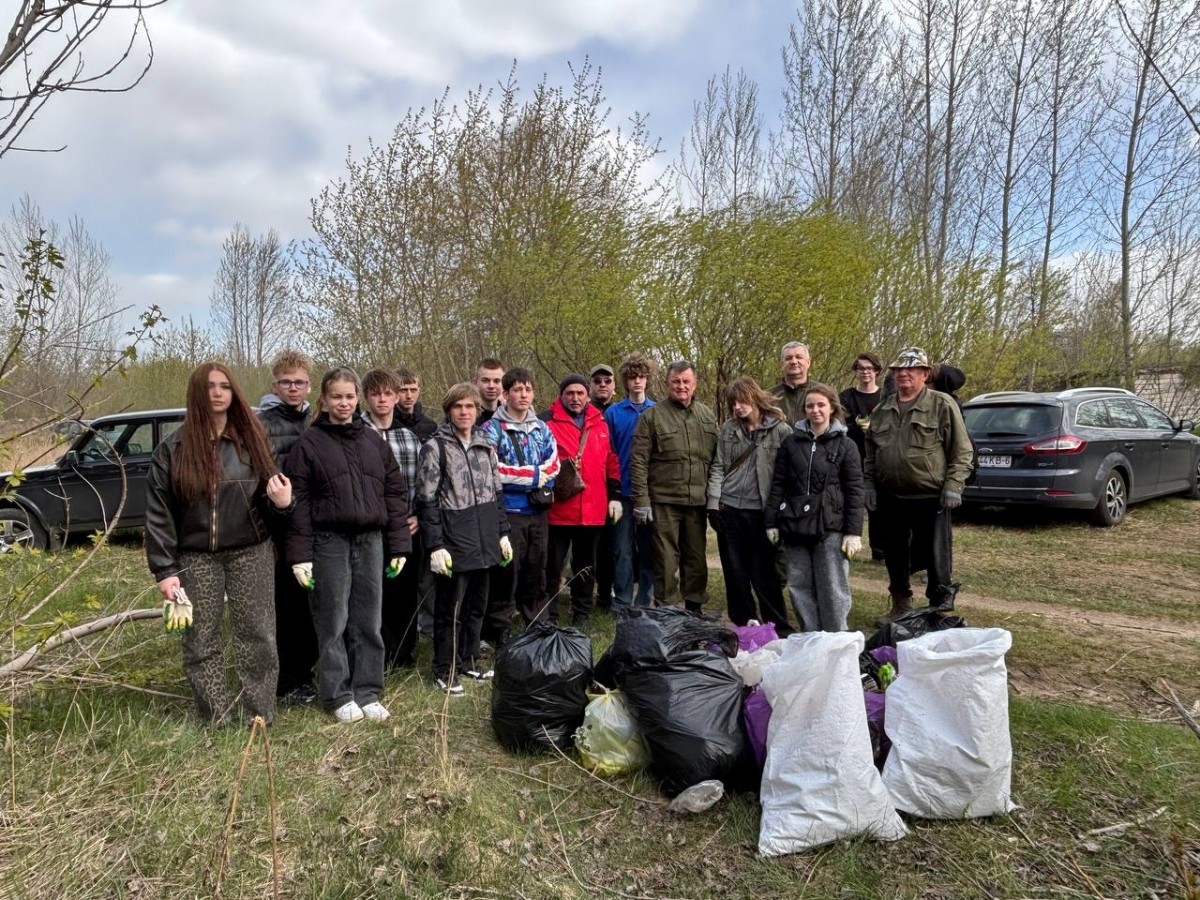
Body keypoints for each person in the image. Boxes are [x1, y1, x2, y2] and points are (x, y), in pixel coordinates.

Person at [145, 362, 293, 725]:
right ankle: (215, 717)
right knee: (200, 638)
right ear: (197, 392)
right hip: (195, 558)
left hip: (251, 550)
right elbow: (158, 513)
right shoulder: (173, 448)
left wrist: (284, 504)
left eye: (225, 386)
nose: (217, 392)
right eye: (210, 386)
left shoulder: (253, 442)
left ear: (234, 393)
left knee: (257, 635)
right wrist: (165, 569)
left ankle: (259, 713)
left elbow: (272, 503)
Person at [284, 368, 411, 723]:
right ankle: (338, 694)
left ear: (358, 399)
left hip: (371, 541)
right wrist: (300, 555)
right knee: (333, 620)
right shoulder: (308, 444)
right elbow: (300, 503)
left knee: (369, 620)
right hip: (329, 542)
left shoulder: (373, 442)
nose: (344, 403)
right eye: (336, 396)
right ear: (323, 399)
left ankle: (368, 690)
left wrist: (399, 545)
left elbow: (394, 493)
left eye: (350, 396)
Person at [864, 347, 974, 623]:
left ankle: (937, 609)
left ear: (925, 374)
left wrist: (953, 485)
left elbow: (961, 450)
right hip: (891, 495)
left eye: (911, 370)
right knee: (894, 555)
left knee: (936, 556)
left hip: (930, 495)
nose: (903, 374)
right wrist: (869, 487)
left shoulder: (941, 404)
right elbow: (870, 454)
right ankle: (901, 605)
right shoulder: (882, 409)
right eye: (899, 370)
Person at [416, 383, 513, 694]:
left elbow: (497, 494)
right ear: (449, 410)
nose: (464, 412)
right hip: (453, 540)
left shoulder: (486, 444)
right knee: (450, 610)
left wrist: (503, 532)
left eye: (469, 406)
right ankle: (445, 668)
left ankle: (469, 659)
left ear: (476, 410)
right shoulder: (436, 447)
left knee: (476, 606)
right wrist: (435, 545)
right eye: (458, 407)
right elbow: (426, 500)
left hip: (485, 538)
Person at [765, 383, 864, 632]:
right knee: (799, 584)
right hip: (795, 524)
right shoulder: (791, 443)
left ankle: (836, 638)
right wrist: (771, 521)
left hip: (830, 526)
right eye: (810, 405)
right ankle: (811, 636)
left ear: (832, 408)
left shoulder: (846, 445)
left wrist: (854, 531)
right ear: (804, 410)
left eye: (821, 405)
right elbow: (778, 483)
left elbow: (854, 490)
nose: (815, 410)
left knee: (832, 585)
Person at [630, 360, 719, 616]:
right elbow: (638, 462)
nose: (681, 386)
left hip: (697, 502)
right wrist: (642, 501)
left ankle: (694, 608)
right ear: (668, 384)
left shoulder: (706, 415)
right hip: (664, 501)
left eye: (686, 381)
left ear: (694, 384)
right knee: (666, 560)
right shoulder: (652, 417)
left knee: (696, 559)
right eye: (676, 382)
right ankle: (667, 610)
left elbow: (715, 460)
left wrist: (714, 498)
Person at [707, 377, 793, 634]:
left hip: (763, 511)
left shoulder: (781, 430)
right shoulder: (728, 429)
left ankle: (777, 625)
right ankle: (743, 622)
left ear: (754, 398)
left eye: (741, 401)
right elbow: (719, 465)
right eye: (733, 403)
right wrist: (713, 503)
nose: (737, 407)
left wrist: (781, 510)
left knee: (765, 571)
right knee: (734, 569)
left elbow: (787, 474)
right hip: (730, 507)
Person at [258, 349, 320, 705]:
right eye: (286, 382)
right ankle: (286, 681)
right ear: (275, 385)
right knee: (287, 605)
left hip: (313, 523)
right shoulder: (263, 423)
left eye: (299, 382)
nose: (293, 388)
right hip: (281, 525)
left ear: (309, 385)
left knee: (310, 601)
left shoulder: (313, 419)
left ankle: (306, 673)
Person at [479, 367, 559, 639]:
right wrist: (534, 476)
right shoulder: (491, 429)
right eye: (517, 390)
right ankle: (499, 631)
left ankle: (538, 626)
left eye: (527, 389)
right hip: (509, 513)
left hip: (538, 512)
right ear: (505, 394)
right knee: (507, 574)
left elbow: (554, 464)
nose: (523, 395)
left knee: (537, 571)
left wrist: (537, 476)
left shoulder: (542, 427)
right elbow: (493, 470)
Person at [542, 374, 622, 627]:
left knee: (585, 567)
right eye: (569, 393)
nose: (575, 398)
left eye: (579, 393)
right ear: (561, 395)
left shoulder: (600, 423)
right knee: (552, 566)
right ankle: (549, 613)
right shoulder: (547, 422)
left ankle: (582, 613)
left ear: (587, 395)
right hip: (559, 510)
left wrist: (615, 495)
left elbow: (611, 460)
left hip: (593, 509)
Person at [362, 368, 423, 670]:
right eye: (376, 393)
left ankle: (402, 655)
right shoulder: (356, 433)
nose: (382, 399)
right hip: (369, 531)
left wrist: (419, 517)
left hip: (404, 529)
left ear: (397, 397)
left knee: (403, 594)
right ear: (367, 397)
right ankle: (375, 654)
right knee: (372, 596)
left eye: (388, 393)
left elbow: (425, 484)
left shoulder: (409, 437)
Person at [605, 352, 657, 613]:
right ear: (625, 381)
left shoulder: (657, 410)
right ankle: (622, 599)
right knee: (622, 550)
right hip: (623, 492)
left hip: (650, 493)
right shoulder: (613, 414)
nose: (637, 381)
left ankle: (645, 599)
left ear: (647, 379)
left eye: (641, 376)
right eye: (632, 377)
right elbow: (609, 453)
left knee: (648, 549)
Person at [393, 366, 438, 638]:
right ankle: (403, 631)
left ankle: (428, 627)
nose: (408, 395)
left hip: (424, 512)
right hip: (396, 514)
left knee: (428, 575)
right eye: (402, 390)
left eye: (413, 389)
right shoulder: (386, 424)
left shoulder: (430, 426)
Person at [839, 352, 887, 561]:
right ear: (856, 371)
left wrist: (875, 428)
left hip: (881, 458)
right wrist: (856, 427)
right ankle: (845, 544)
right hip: (852, 457)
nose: (865, 372)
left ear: (876, 370)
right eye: (861, 368)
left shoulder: (886, 396)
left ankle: (880, 550)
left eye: (869, 368)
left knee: (879, 505)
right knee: (850, 503)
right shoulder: (846, 397)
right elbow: (838, 427)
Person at [583, 363, 618, 610]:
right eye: (597, 381)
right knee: (587, 550)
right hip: (585, 492)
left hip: (614, 490)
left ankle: (606, 595)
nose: (602, 385)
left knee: (610, 548)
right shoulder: (582, 413)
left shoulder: (621, 412)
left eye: (607, 380)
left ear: (614, 386)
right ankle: (582, 594)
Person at [771, 341, 814, 427]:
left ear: (808, 362)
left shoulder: (824, 394)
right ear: (781, 364)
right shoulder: (769, 397)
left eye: (799, 357)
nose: (794, 361)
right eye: (788, 358)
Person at [473, 358, 505, 425]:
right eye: (485, 380)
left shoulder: (509, 416)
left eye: (496, 381)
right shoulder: (467, 416)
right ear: (475, 383)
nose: (491, 386)